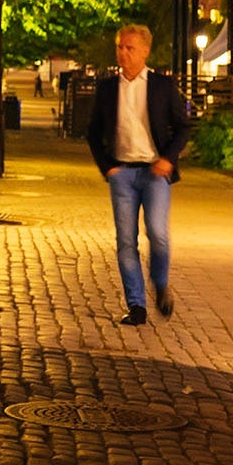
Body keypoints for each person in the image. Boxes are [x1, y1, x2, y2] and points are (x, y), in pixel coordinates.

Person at [85, 24, 192, 327]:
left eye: (130, 48)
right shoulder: (108, 88)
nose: (123, 53)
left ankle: (160, 283)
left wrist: (168, 158)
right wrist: (108, 168)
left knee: (157, 234)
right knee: (125, 242)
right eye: (120, 47)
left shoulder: (162, 85)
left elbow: (184, 126)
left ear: (145, 51)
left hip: (154, 173)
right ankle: (136, 306)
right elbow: (93, 132)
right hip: (122, 174)